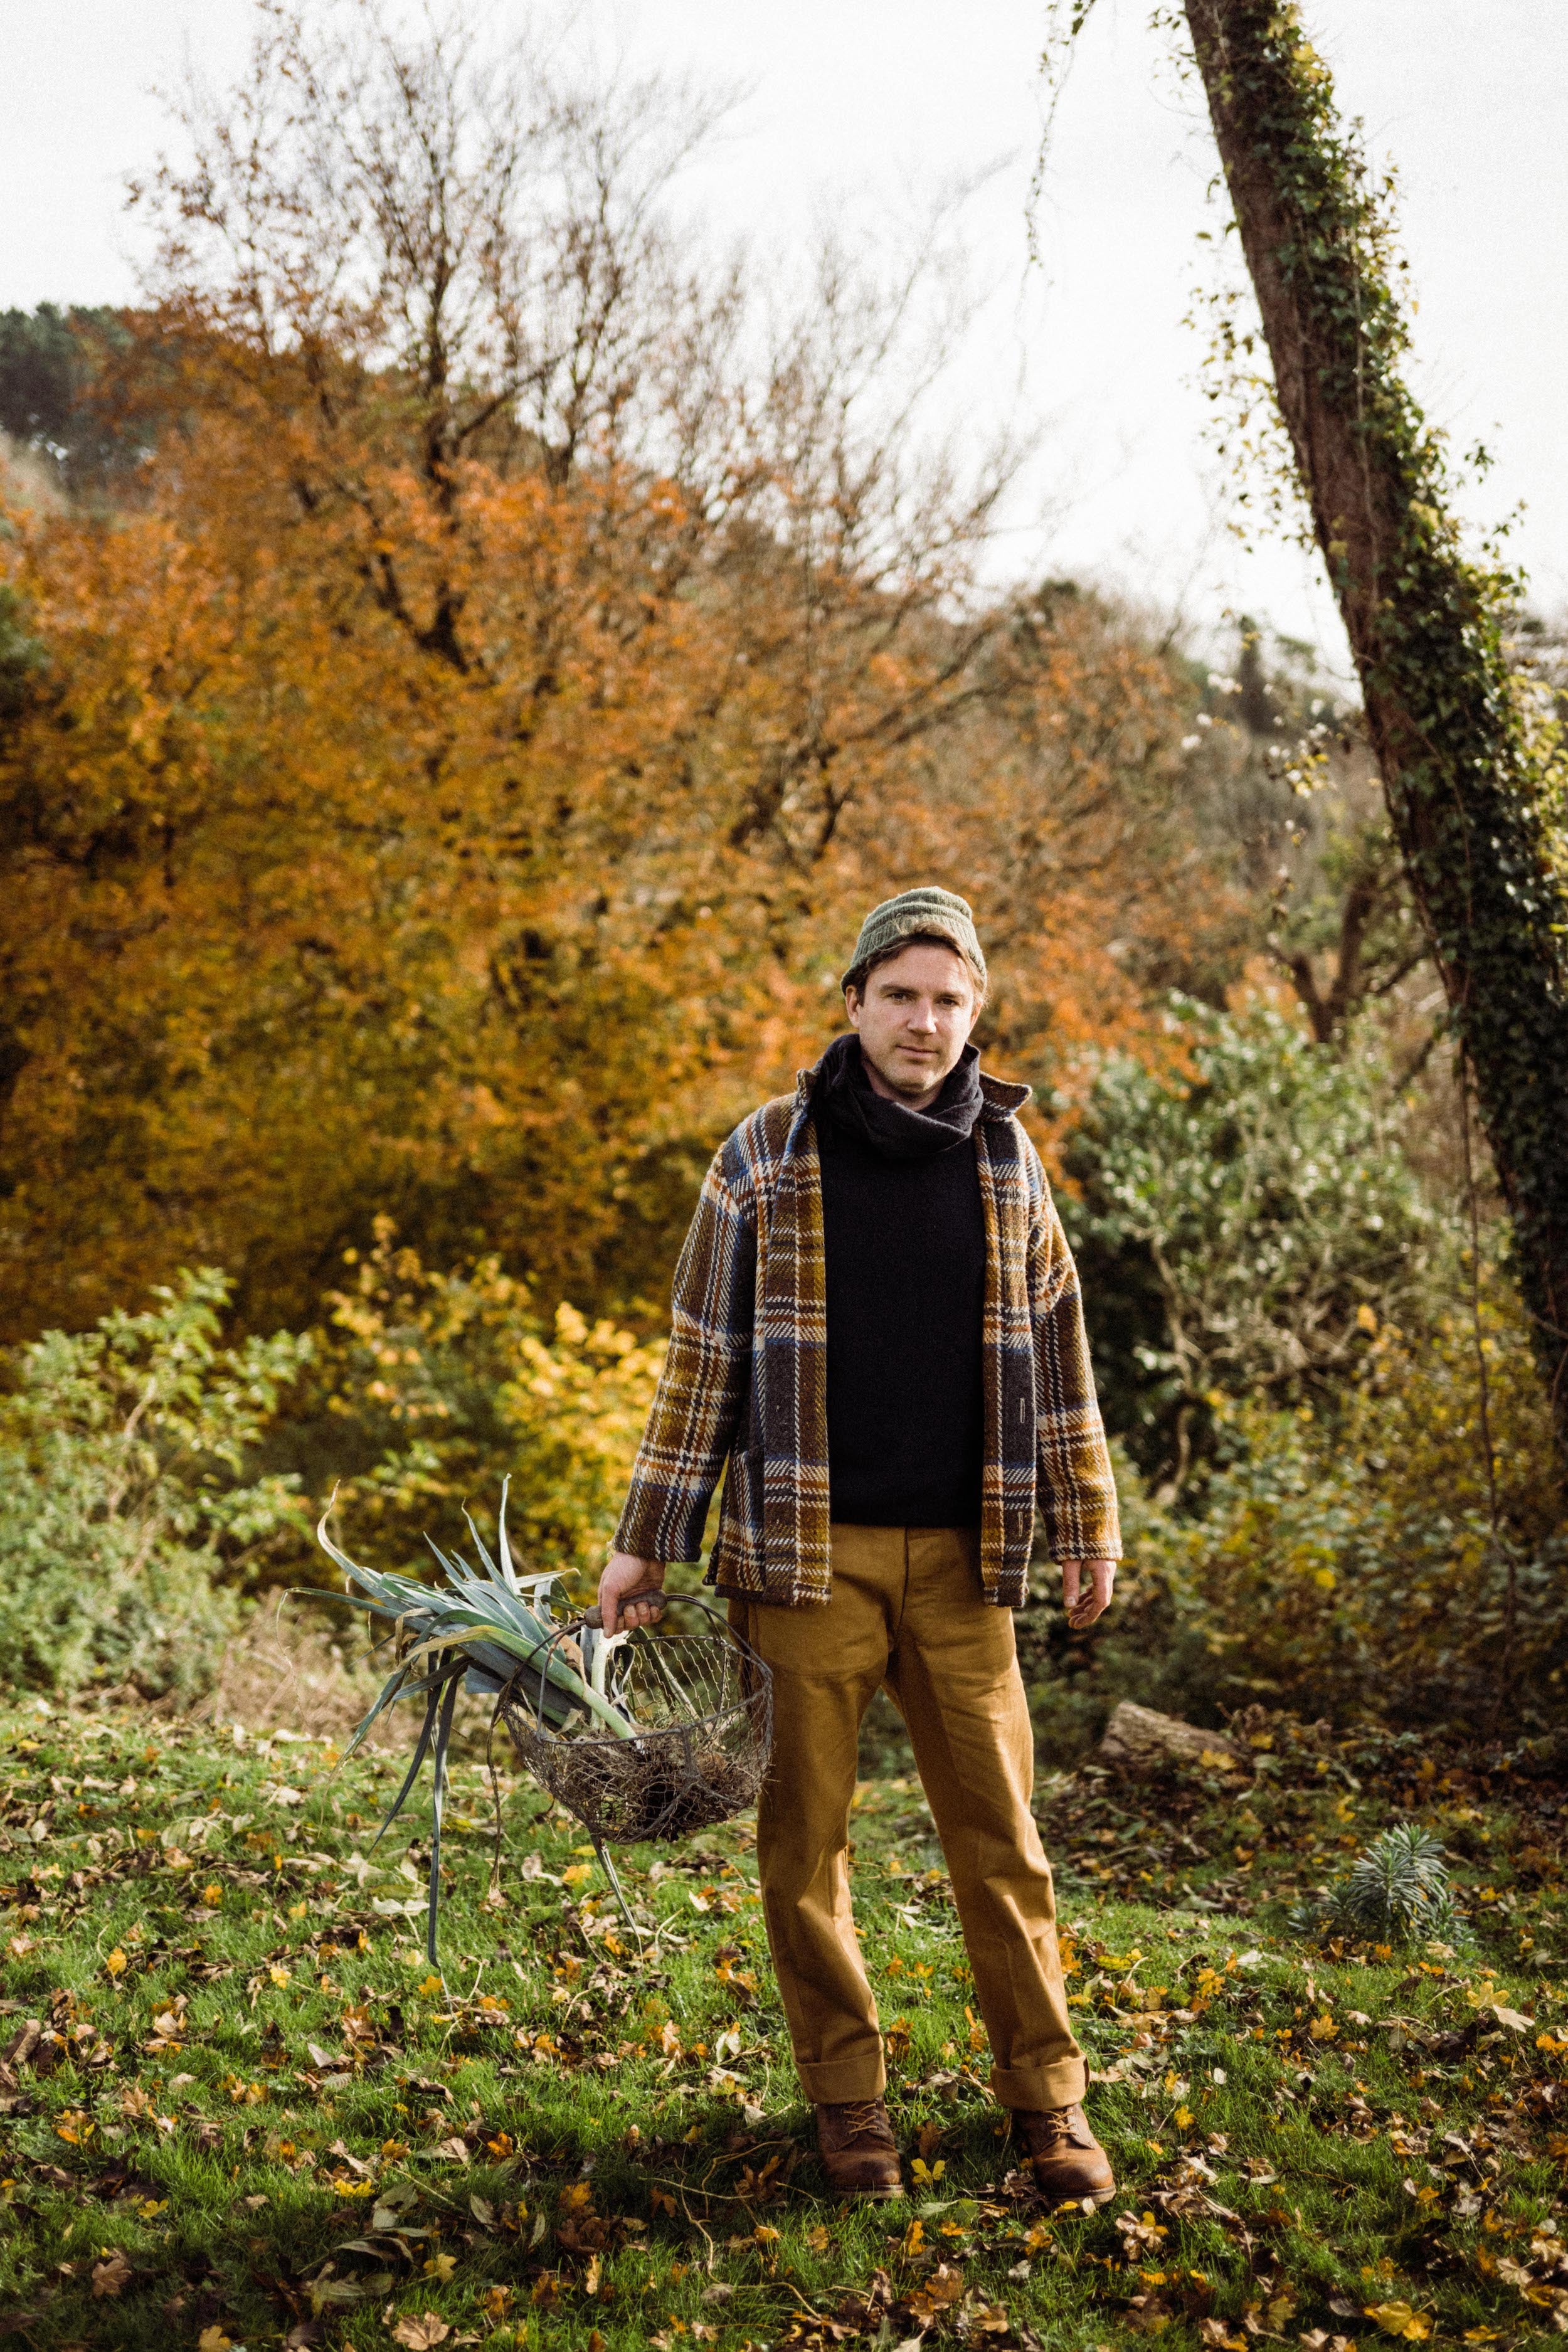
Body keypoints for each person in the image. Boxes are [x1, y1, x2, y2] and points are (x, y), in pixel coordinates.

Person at [598, 886, 1121, 2205]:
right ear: (852, 1002)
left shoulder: (1006, 1163)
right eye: (900, 995)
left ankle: (1047, 2107)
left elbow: (1059, 1356)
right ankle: (847, 2109)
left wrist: (1088, 1522)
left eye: (950, 1000)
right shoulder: (766, 1154)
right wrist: (645, 1543)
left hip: (964, 1561)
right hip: (800, 1559)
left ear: (974, 1015)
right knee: (805, 1843)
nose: (924, 1022)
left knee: (1001, 1841)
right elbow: (701, 1359)